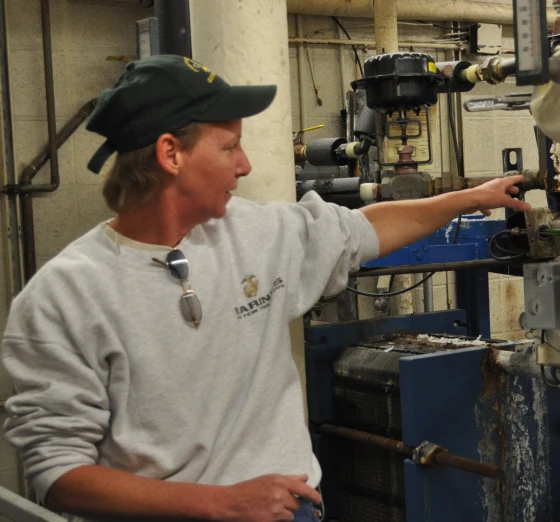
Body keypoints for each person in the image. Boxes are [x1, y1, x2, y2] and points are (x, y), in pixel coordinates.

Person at [1, 54, 530, 522]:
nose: (245, 164)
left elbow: (363, 230)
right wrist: (221, 503)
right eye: (229, 146)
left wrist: (468, 198)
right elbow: (59, 475)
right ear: (171, 154)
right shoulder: (64, 298)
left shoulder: (253, 233)